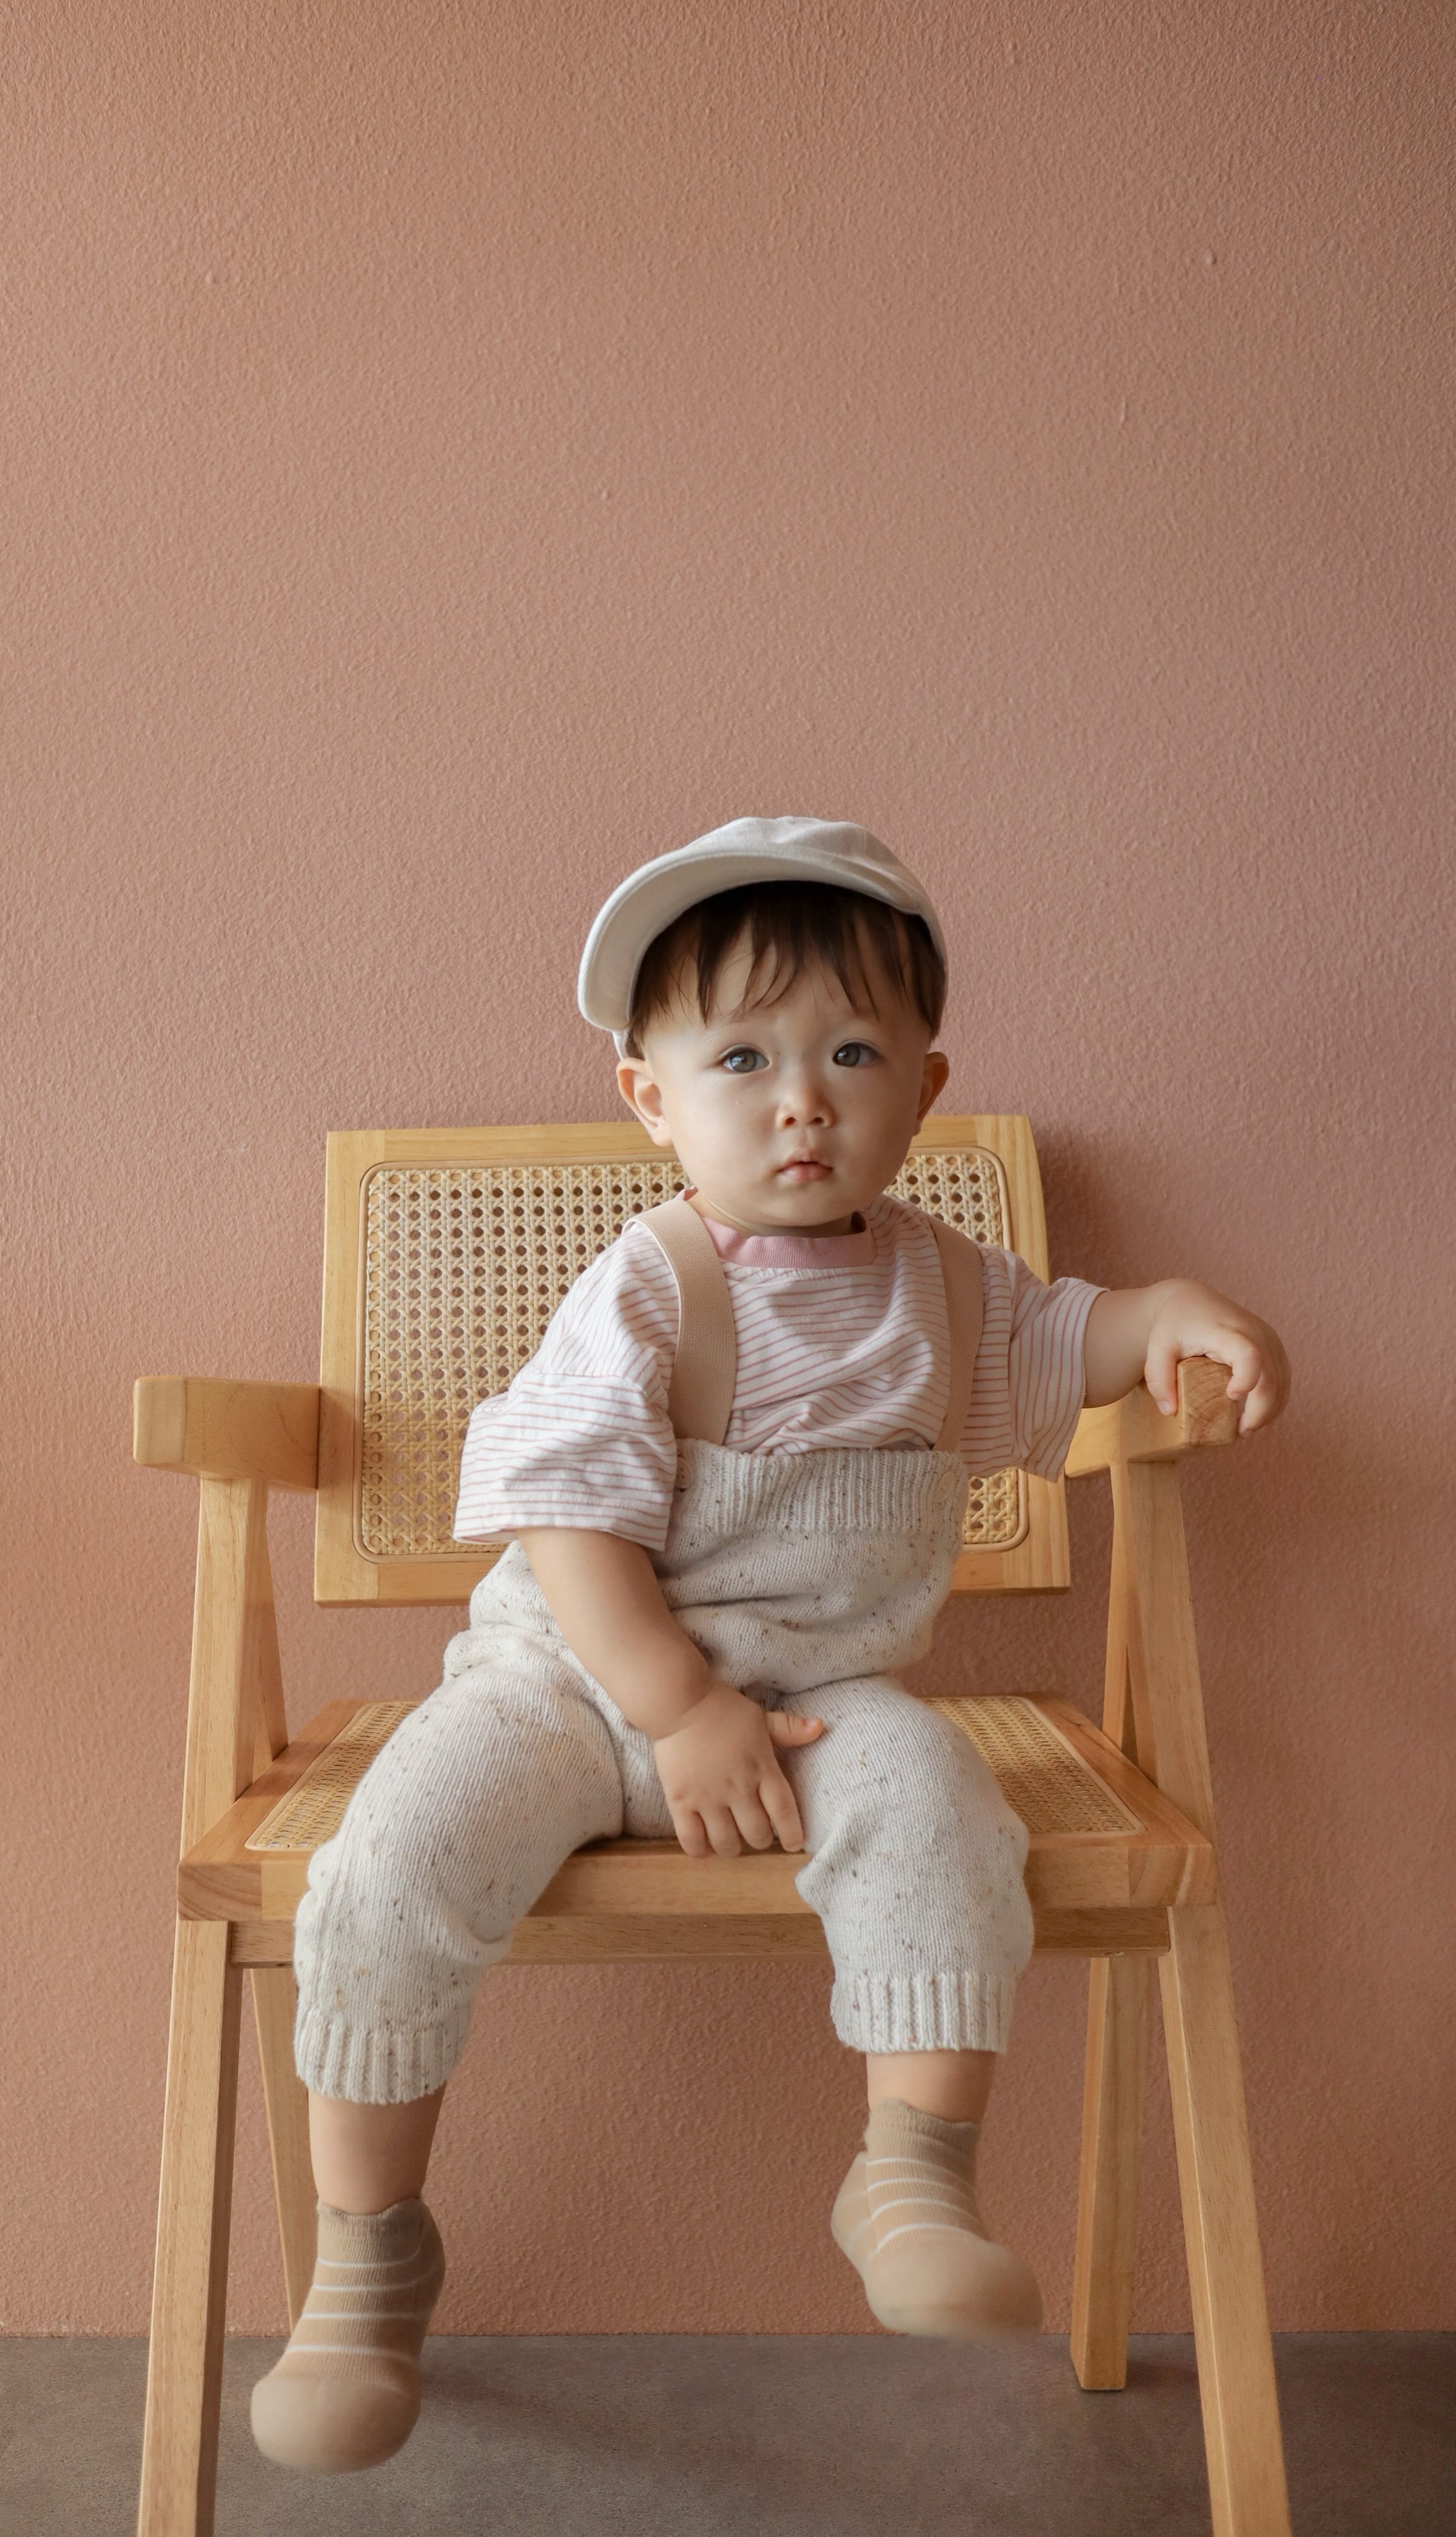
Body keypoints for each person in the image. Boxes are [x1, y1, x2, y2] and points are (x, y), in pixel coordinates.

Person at [250, 815, 1290, 2473]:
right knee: (395, 1857)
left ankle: (910, 2179)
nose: (802, 1098)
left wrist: (1177, 1319)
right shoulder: (649, 1287)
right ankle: (366, 2265)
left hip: (814, 1706)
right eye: (742, 1058)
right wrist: (674, 1707)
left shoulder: (953, 1293)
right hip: (572, 1685)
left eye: (851, 1053)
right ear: (652, 1099)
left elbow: (1076, 1337)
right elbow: (567, 1519)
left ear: (923, 1091)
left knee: (940, 1804)